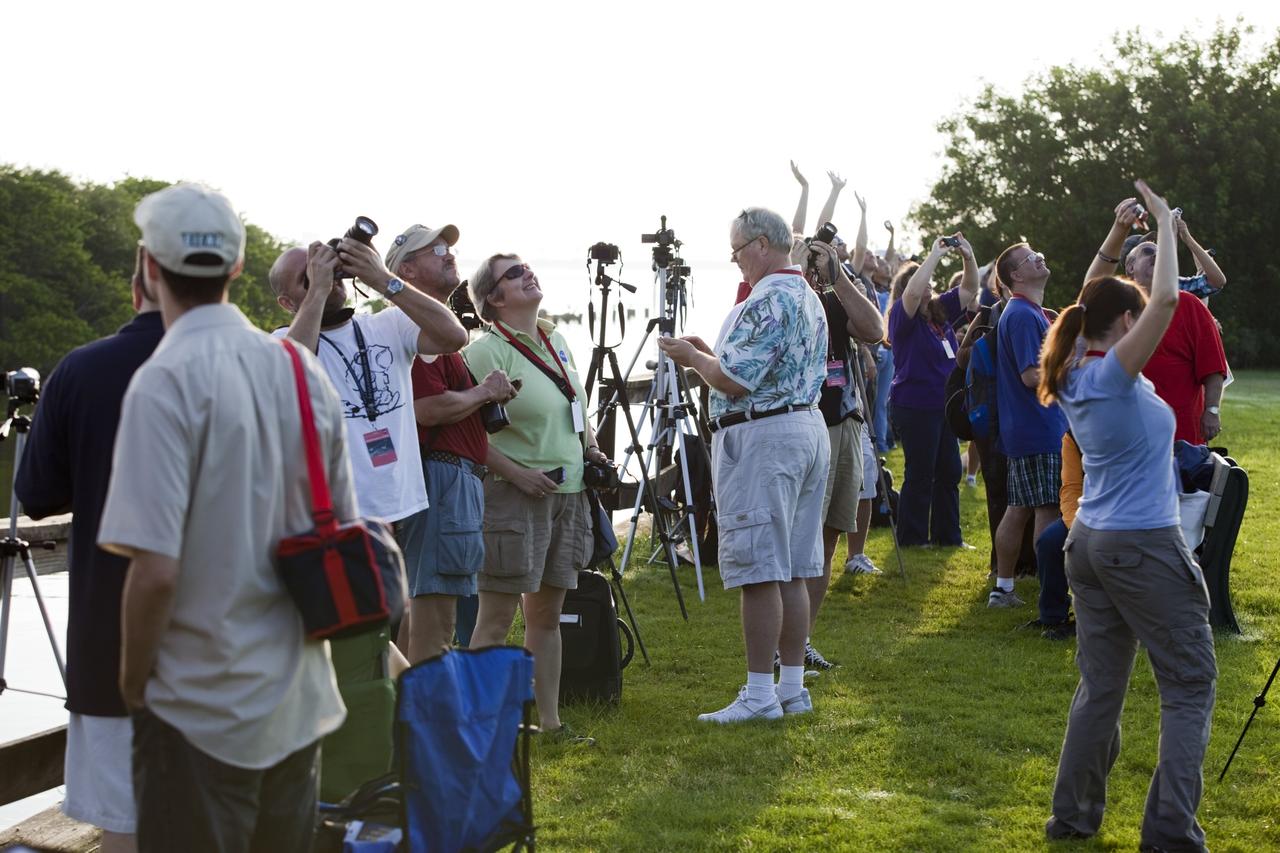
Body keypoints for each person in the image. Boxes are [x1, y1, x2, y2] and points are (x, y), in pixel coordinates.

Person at [97, 184, 353, 851]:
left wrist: (132, 688)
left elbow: (153, 573)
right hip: (297, 703)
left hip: (200, 712)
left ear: (150, 269)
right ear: (237, 269)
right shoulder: (300, 370)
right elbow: (342, 528)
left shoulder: (164, 381)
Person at [1040, 180, 1216, 852]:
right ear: (1125, 325)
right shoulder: (1111, 371)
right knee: (1190, 683)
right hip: (1140, 543)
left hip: (1088, 542)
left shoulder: (1076, 367)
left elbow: (1091, 291)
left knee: (1101, 687)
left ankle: (1073, 816)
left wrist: (1118, 234)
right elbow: (1167, 297)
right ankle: (1171, 831)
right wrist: (1168, 225)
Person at [14, 247, 164, 853]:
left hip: (113, 643)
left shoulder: (81, 369)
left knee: (123, 824)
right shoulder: (263, 368)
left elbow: (38, 497)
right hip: (233, 650)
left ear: (137, 285)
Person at [659, 206, 828, 723]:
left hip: (764, 438)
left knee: (759, 569)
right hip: (804, 427)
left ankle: (759, 694)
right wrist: (710, 353)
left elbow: (734, 381)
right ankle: (792, 687)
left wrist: (692, 360)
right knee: (795, 567)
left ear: (758, 244)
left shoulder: (768, 298)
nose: (734, 262)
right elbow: (753, 366)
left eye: (736, 251)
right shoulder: (806, 296)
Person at [463, 253, 604, 745]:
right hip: (511, 497)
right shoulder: (483, 351)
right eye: (514, 273)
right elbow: (466, 436)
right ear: (494, 298)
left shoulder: (556, 339)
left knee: (545, 617)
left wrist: (590, 451)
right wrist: (518, 474)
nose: (527, 274)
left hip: (567, 492)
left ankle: (550, 724)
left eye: (526, 267)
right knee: (497, 619)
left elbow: (575, 407)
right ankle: (482, 728)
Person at [267, 233, 469, 525]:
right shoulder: (282, 342)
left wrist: (382, 279)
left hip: (407, 504)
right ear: (286, 303)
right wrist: (318, 291)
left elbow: (455, 337)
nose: (326, 278)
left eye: (330, 269)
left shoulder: (388, 324)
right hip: (337, 516)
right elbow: (292, 374)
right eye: (307, 278)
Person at [384, 224, 517, 663]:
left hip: (443, 479)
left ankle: (403, 717)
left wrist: (482, 399)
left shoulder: (425, 331)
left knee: (419, 610)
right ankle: (428, 724)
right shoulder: (416, 330)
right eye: (435, 249)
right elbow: (424, 409)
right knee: (437, 619)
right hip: (443, 479)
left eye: (448, 248)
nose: (448, 254)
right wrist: (483, 394)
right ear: (406, 270)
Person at [803, 231, 884, 669]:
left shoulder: (835, 296)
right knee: (806, 537)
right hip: (810, 424)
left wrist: (838, 277)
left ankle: (802, 641)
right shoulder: (783, 294)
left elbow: (875, 329)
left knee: (831, 535)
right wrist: (804, 272)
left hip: (846, 417)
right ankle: (786, 647)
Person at [1083, 199, 1227, 445]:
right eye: (1148, 252)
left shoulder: (1189, 304)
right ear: (1129, 267)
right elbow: (1091, 289)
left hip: (1182, 435)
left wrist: (1212, 410)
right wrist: (1120, 228)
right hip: (1128, 434)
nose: (1157, 257)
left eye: (1162, 254)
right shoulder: (1116, 309)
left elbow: (1213, 366)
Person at [885, 234, 980, 547]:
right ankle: (912, 537)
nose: (929, 284)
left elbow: (969, 290)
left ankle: (948, 536)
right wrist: (934, 255)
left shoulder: (939, 312)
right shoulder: (903, 316)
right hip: (915, 406)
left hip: (943, 406)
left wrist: (967, 255)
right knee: (921, 473)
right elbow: (913, 292)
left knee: (949, 470)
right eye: (922, 280)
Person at [988, 242, 1068, 608]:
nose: (1040, 256)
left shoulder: (1027, 311)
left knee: (1019, 508)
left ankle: (1004, 589)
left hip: (1028, 427)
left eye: (1038, 251)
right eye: (1029, 258)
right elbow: (1030, 375)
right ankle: (1049, 591)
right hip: (1038, 426)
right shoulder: (1022, 315)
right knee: (1047, 509)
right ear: (1016, 276)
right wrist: (1073, 365)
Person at [1020, 431, 1081, 641]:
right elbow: (1071, 488)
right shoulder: (1073, 436)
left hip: (1125, 515)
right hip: (1087, 514)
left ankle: (1095, 621)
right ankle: (1053, 616)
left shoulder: (1130, 427)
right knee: (1049, 542)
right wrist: (1076, 527)